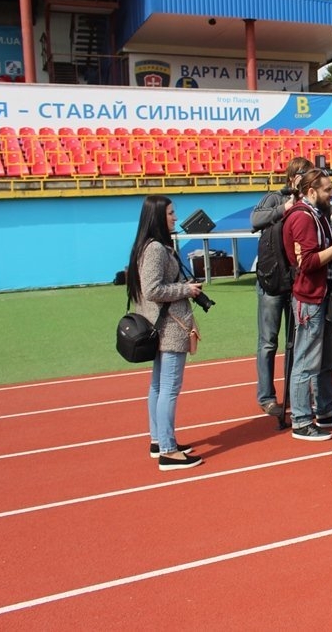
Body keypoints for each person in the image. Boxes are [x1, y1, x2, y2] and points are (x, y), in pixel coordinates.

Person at [126, 195, 203, 471]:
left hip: (161, 325)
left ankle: (160, 440)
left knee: (159, 386)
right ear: (158, 216)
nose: (175, 218)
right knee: (168, 388)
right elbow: (152, 289)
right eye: (170, 213)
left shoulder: (147, 246)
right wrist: (186, 289)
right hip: (169, 327)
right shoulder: (156, 248)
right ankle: (168, 450)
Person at [282, 168, 332, 440]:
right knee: (306, 360)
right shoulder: (303, 217)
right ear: (311, 191)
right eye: (327, 190)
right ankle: (301, 419)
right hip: (310, 296)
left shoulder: (316, 215)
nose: (331, 194)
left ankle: (324, 408)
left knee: (327, 358)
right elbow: (306, 262)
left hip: (323, 294)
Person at [251, 156, 313, 416]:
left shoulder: (309, 202)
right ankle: (266, 396)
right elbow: (255, 220)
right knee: (268, 342)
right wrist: (285, 207)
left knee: (295, 341)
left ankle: (293, 391)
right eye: (304, 176)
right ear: (292, 177)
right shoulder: (275, 198)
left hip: (295, 279)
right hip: (272, 280)